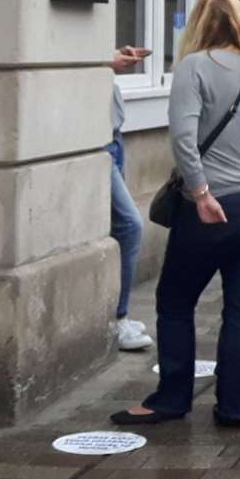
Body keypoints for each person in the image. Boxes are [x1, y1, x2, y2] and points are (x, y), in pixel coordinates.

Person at [112, 0, 240, 429]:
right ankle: (234, 407)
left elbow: (183, 138)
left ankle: (172, 399)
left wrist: (200, 193)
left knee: (175, 300)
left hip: (219, 202)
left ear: (197, 26)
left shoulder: (194, 67)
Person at [108, 41, 152, 352]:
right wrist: (106, 61)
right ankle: (118, 318)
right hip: (98, 143)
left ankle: (116, 314)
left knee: (115, 227)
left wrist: (111, 58)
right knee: (130, 224)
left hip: (113, 137)